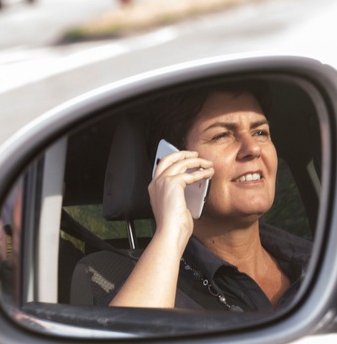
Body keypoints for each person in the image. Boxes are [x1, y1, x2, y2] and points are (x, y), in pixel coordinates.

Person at [109, 82, 311, 312]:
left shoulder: (324, 260)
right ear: (175, 163)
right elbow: (131, 343)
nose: (253, 148)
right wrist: (170, 233)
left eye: (260, 132)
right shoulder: (154, 287)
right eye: (222, 136)